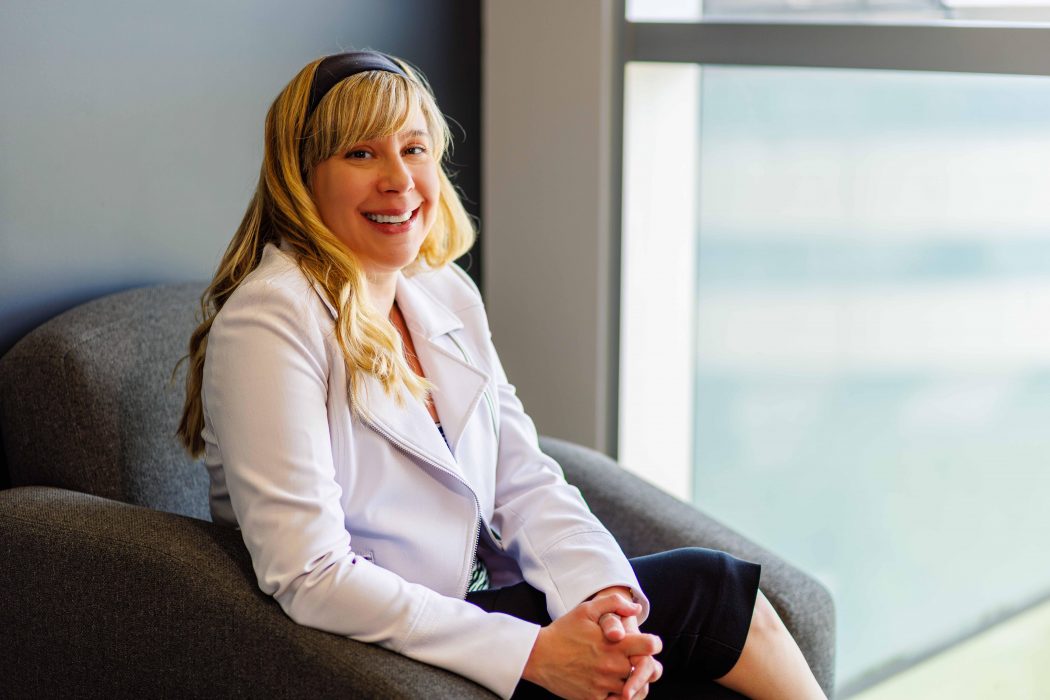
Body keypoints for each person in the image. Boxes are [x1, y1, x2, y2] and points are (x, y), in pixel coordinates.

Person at [177, 51, 826, 700]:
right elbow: (311, 573)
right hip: (363, 649)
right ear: (301, 177)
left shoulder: (442, 292)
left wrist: (603, 603)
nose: (400, 179)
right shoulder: (269, 321)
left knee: (685, 682)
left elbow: (521, 478)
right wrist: (534, 653)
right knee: (712, 593)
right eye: (361, 155)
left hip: (472, 609)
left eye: (415, 148)